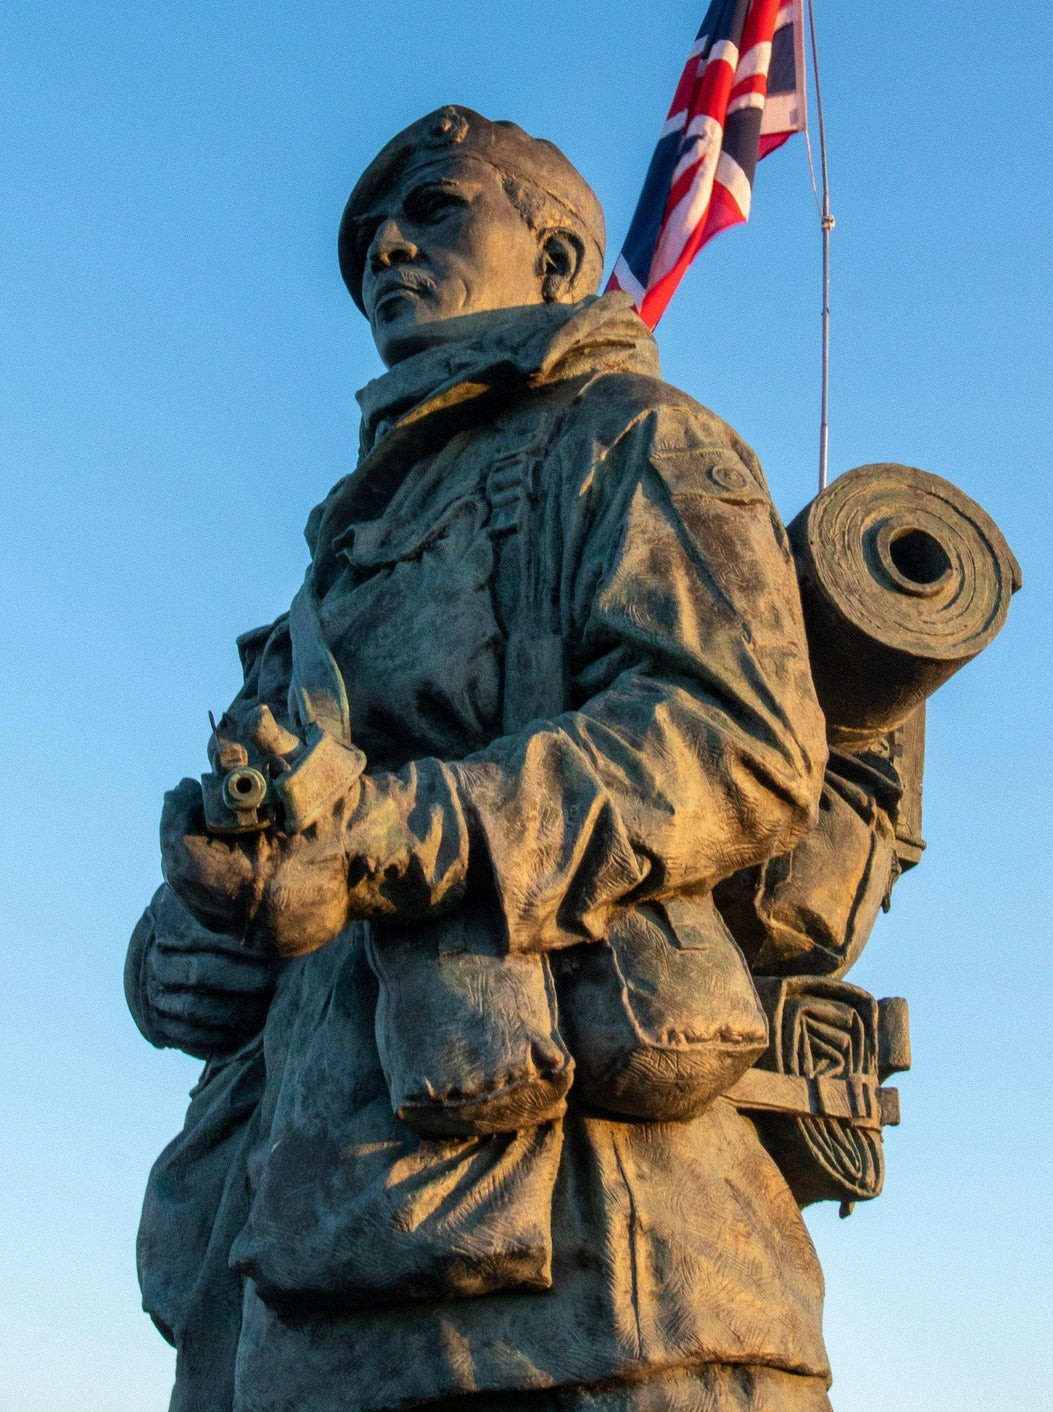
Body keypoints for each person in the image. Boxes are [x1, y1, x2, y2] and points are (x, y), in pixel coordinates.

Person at [127, 107, 898, 1412]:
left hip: (603, 1282)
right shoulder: (337, 563)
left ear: (555, 261)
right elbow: (255, 843)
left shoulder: (636, 441)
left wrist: (391, 836)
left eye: (435, 209)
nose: (384, 245)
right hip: (295, 1283)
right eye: (368, 233)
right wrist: (180, 946)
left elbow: (737, 740)